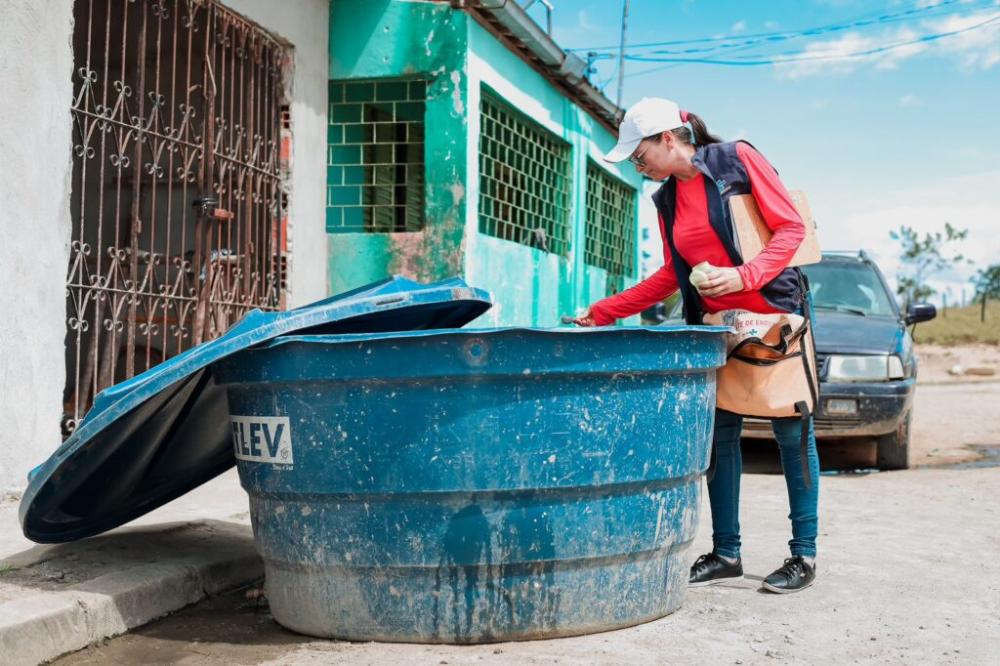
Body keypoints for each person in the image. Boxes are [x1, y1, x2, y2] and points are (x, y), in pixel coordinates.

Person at [574, 97, 819, 594]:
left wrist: (743, 275)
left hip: (775, 318)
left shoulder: (735, 160)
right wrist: (604, 311)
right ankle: (726, 552)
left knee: (791, 435)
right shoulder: (665, 200)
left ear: (668, 138)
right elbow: (672, 274)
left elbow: (792, 228)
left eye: (639, 153)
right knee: (720, 437)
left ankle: (804, 555)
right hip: (716, 326)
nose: (636, 164)